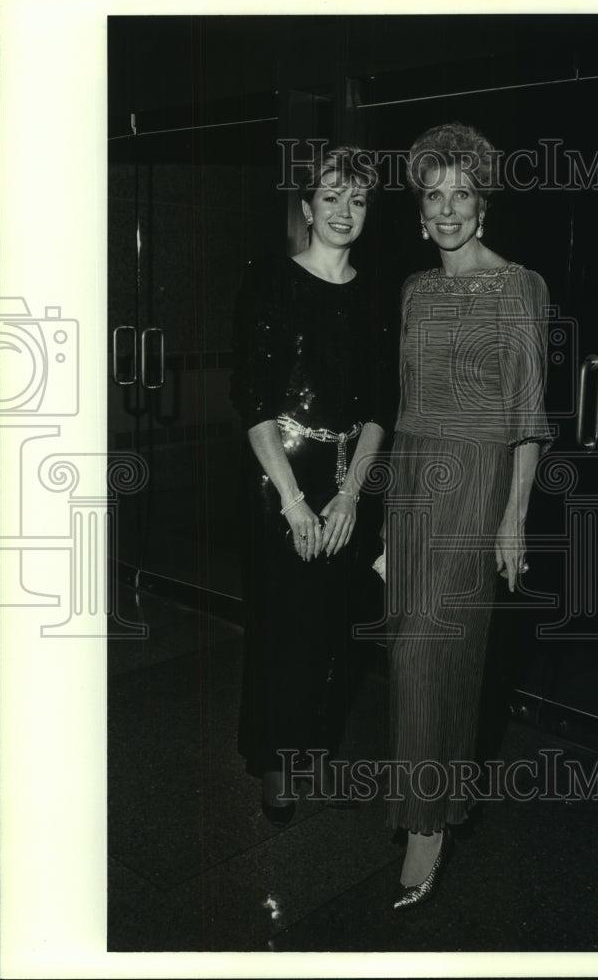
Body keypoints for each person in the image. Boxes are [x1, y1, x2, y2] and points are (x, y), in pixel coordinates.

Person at [385, 123, 552, 909]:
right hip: (414, 479)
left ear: (482, 208)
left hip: (477, 480)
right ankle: (436, 802)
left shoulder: (519, 287)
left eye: (461, 195)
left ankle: (426, 827)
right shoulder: (415, 290)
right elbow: (405, 406)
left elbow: (527, 416)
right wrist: (387, 522)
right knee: (410, 653)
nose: (448, 210)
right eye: (434, 196)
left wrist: (513, 517)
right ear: (422, 215)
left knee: (432, 651)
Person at [230, 146, 385, 825]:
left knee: (332, 626)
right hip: (281, 478)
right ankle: (274, 759)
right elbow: (254, 404)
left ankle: (311, 741)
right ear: (306, 209)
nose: (343, 211)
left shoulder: (377, 292)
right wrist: (294, 502)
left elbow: (385, 407)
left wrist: (351, 492)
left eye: (356, 200)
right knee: (284, 623)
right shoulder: (271, 279)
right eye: (330, 197)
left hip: (348, 479)